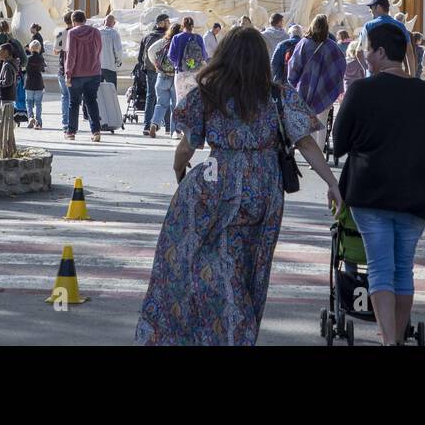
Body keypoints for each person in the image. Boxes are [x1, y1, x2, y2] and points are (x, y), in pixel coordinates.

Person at [135, 26, 342, 345]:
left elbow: (188, 146)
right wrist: (332, 184)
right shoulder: (279, 96)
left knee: (200, 261)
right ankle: (234, 331)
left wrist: (179, 172)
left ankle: (209, 331)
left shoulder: (207, 92)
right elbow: (306, 143)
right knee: (249, 268)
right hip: (263, 191)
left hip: (214, 186)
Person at [332, 23, 425, 345]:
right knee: (403, 270)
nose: (365, 56)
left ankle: (389, 340)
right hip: (418, 193)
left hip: (370, 192)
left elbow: (339, 142)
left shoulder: (361, 90)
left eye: (368, 50)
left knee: (380, 268)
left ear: (381, 53)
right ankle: (396, 336)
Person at [287, 14, 346, 149]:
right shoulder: (332, 47)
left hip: (304, 89)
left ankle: (311, 154)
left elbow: (294, 66)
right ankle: (320, 151)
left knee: (309, 122)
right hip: (326, 90)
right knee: (322, 122)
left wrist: (292, 83)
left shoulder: (303, 43)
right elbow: (341, 66)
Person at [63, 10, 103, 142]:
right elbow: (99, 49)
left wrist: (68, 73)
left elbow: (71, 55)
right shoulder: (95, 32)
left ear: (73, 21)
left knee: (74, 103)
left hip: (76, 74)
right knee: (91, 101)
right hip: (94, 72)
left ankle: (71, 132)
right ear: (85, 19)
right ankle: (96, 131)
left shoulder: (72, 33)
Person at [138, 14, 170, 137]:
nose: (169, 23)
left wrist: (145, 68)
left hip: (151, 70)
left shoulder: (147, 37)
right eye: (167, 21)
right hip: (165, 71)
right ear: (162, 23)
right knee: (166, 98)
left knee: (150, 97)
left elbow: (140, 57)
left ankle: (146, 126)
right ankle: (168, 127)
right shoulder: (167, 37)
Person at [147, 17, 178, 136]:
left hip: (162, 76)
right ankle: (174, 131)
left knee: (160, 104)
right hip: (175, 77)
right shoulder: (179, 42)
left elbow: (150, 50)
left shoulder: (163, 41)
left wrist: (156, 64)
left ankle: (154, 124)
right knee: (175, 105)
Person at [168, 16, 207, 103]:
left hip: (181, 73)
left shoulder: (176, 38)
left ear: (183, 25)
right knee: (195, 102)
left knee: (180, 101)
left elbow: (171, 56)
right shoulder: (198, 38)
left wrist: (179, 62)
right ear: (192, 26)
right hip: (195, 73)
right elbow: (204, 56)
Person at [54, 11, 73, 131]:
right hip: (74, 70)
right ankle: (72, 122)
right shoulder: (77, 34)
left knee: (64, 97)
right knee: (73, 97)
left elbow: (56, 51)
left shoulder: (61, 34)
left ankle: (65, 122)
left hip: (62, 68)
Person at [0, 43, 18, 121]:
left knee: (6, 118)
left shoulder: (7, 65)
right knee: (7, 117)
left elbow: (8, 82)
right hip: (8, 96)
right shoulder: (9, 64)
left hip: (6, 96)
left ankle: (7, 132)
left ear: (6, 52)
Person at [24, 40, 46, 128]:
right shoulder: (41, 58)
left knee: (29, 102)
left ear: (30, 48)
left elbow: (24, 69)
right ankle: (38, 121)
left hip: (29, 83)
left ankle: (30, 117)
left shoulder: (28, 58)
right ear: (39, 48)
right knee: (38, 104)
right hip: (38, 84)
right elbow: (43, 69)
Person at [99, 14, 124, 86]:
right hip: (110, 66)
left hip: (97, 67)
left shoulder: (97, 32)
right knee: (112, 91)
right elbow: (118, 50)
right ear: (114, 23)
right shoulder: (114, 34)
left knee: (98, 92)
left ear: (104, 22)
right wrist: (119, 62)